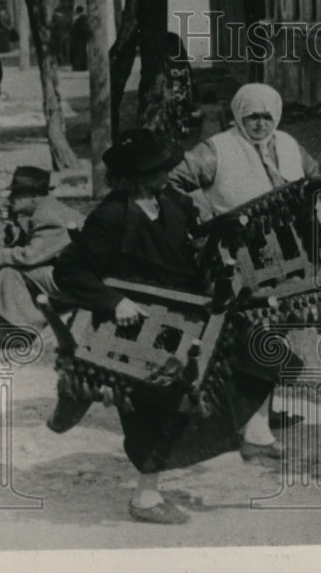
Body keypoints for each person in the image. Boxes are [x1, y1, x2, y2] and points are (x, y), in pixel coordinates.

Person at [53, 129, 288, 525]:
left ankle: (254, 429)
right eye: (157, 169)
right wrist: (114, 302)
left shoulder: (175, 204)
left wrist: (225, 238)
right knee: (154, 408)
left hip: (184, 312)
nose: (166, 172)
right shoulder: (109, 218)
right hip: (134, 326)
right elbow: (68, 270)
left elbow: (196, 249)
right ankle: (145, 499)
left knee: (255, 348)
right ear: (135, 176)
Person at [168, 82, 319, 436]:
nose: (261, 124)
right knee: (252, 331)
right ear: (238, 115)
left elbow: (313, 178)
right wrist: (205, 215)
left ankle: (265, 410)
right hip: (238, 255)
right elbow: (174, 183)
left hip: (287, 251)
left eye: (268, 116)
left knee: (279, 331)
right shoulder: (216, 149)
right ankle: (250, 419)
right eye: (252, 117)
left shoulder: (289, 145)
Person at [0, 166, 84, 346]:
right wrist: (15, 231)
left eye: (17, 194)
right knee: (13, 274)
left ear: (34, 195)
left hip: (78, 280)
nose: (10, 199)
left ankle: (16, 335)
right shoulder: (45, 209)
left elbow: (30, 256)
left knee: (11, 274)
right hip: (72, 272)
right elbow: (41, 248)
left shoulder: (49, 216)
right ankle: (13, 333)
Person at [70, 6, 89, 71]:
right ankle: (82, 67)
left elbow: (81, 29)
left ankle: (79, 67)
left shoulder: (81, 19)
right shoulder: (83, 18)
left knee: (79, 53)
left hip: (79, 39)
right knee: (81, 53)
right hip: (80, 39)